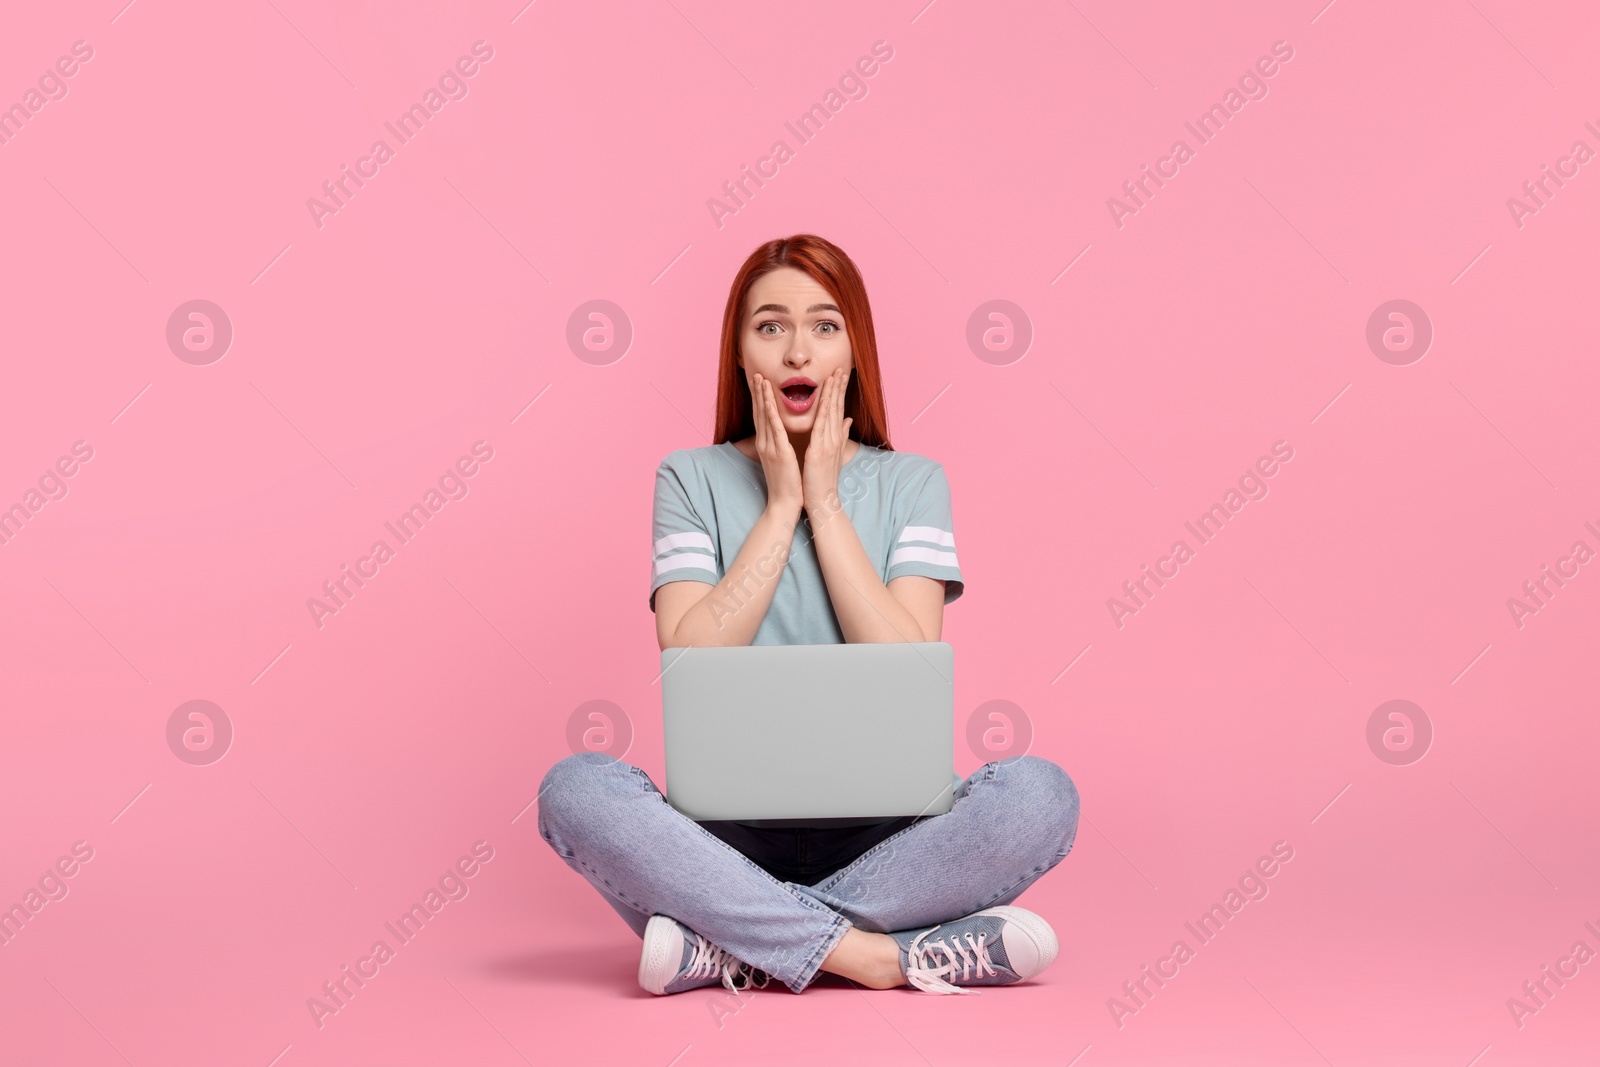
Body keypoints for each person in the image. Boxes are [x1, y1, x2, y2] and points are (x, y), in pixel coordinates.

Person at [536, 234, 1080, 996]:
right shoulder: (689, 477)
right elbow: (693, 653)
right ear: (739, 354)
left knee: (1040, 795)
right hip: (721, 845)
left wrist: (824, 501)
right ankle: (876, 955)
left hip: (895, 843)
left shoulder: (913, 483)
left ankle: (737, 943)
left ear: (854, 349)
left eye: (825, 325)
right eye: (770, 326)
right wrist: (781, 500)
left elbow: (905, 662)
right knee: (575, 788)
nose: (798, 350)